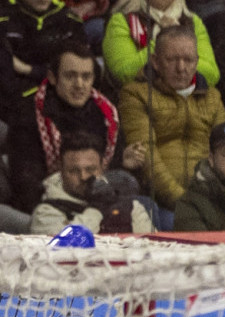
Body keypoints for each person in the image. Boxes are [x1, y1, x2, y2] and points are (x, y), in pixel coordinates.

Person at [8, 45, 133, 216]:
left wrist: (124, 162)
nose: (79, 84)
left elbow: (112, 166)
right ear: (52, 77)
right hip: (49, 206)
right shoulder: (29, 115)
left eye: (86, 76)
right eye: (70, 76)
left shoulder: (107, 114)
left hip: (99, 202)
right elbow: (26, 184)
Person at [120, 24, 225, 214]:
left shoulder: (213, 97)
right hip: (163, 203)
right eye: (171, 60)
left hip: (210, 199)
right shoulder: (136, 94)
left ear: (197, 61)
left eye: (188, 60)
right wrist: (184, 203)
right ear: (155, 61)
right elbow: (146, 156)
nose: (181, 68)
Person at [28, 131, 152, 234]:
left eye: (90, 169)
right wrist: (96, 209)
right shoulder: (44, 212)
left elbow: (151, 246)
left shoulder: (129, 205)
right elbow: (62, 246)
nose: (83, 177)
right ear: (60, 169)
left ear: (103, 166)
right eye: (74, 171)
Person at [102, 0, 217, 86]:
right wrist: (161, 41)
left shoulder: (192, 21)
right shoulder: (121, 21)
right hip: (141, 105)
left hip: (188, 104)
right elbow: (123, 73)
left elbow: (211, 74)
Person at [0, 0, 86, 113]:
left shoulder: (69, 21)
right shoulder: (4, 20)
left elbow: (79, 71)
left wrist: (27, 69)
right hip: (13, 105)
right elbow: (5, 77)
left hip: (61, 101)